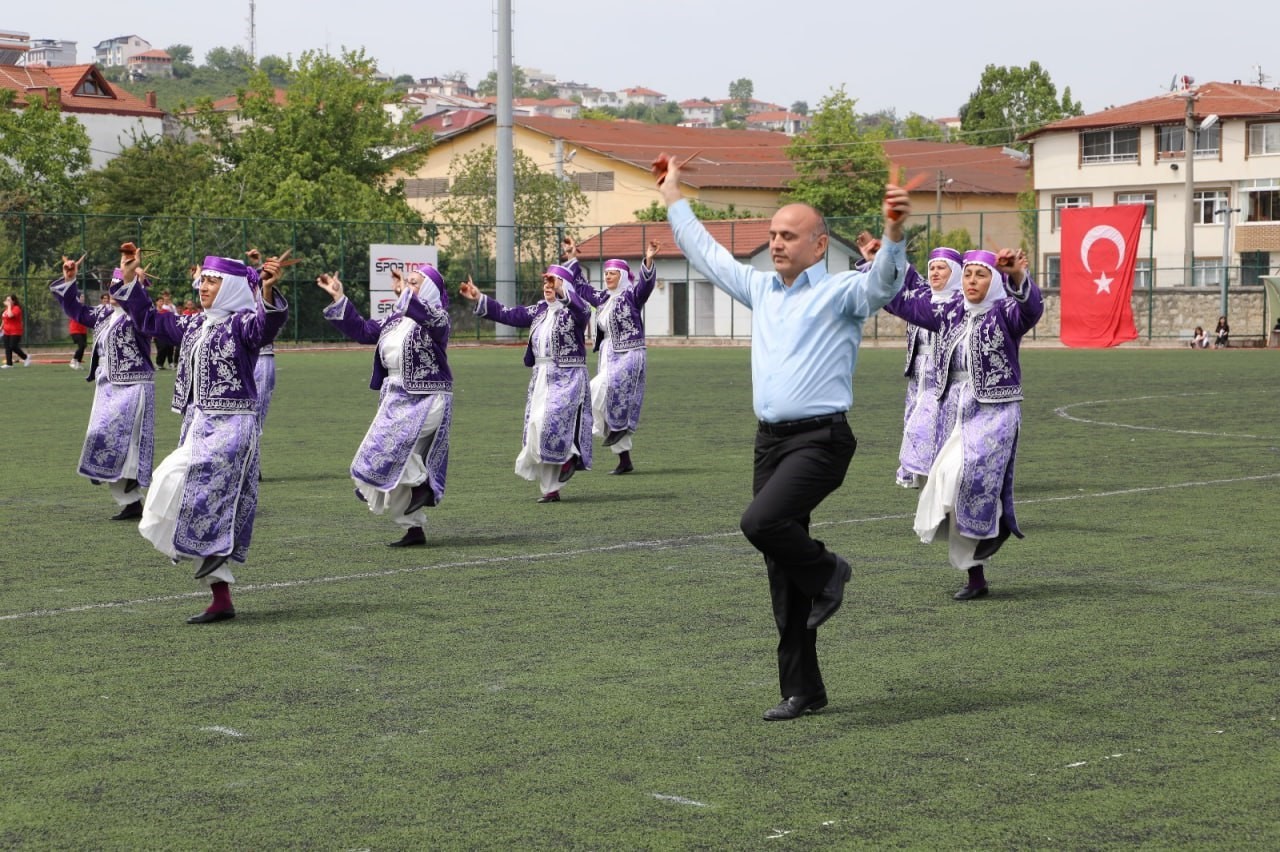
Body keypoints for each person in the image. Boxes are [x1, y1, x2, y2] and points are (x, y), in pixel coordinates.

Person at [656, 150, 911, 721]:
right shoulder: (761, 289)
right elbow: (705, 255)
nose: (776, 243)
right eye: (772, 235)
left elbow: (885, 286)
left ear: (819, 245)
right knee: (779, 565)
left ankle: (830, 570)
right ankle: (803, 689)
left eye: (789, 236)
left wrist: (894, 235)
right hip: (769, 442)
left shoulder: (843, 291)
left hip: (821, 441)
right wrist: (673, 195)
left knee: (760, 524)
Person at [118, 250, 289, 624]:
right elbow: (148, 319)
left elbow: (267, 326)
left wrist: (268, 291)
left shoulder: (242, 326)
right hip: (197, 426)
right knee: (189, 497)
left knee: (176, 482)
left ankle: (215, 565)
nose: (203, 287)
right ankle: (220, 597)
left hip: (231, 428)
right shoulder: (193, 325)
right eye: (203, 281)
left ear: (228, 286)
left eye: (212, 281)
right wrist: (129, 279)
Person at [885, 248, 1043, 601]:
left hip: (995, 412)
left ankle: (997, 526)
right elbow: (906, 305)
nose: (972, 281)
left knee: (963, 476)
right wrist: (878, 267)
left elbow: (1031, 309)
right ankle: (976, 577)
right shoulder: (951, 312)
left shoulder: (1006, 314)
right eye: (968, 275)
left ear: (995, 280)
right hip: (954, 409)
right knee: (949, 486)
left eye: (981, 275)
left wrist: (1018, 277)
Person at [319, 264, 454, 547]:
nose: (409, 287)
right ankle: (414, 528)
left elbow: (426, 315)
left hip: (427, 399)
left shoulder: (438, 319)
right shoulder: (394, 320)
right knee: (390, 465)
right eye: (408, 282)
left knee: (391, 451)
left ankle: (423, 482)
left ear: (428, 288)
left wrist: (407, 296)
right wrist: (339, 299)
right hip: (394, 399)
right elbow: (364, 331)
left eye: (415, 283)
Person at [459, 265, 593, 503]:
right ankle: (551, 490)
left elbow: (584, 312)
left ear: (565, 286)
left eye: (553, 284)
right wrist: (479, 297)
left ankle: (571, 455)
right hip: (541, 376)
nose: (548, 288)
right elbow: (508, 314)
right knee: (535, 430)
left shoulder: (575, 311)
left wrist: (562, 289)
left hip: (567, 375)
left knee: (550, 421)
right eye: (546, 284)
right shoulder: (540, 310)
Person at [50, 258, 156, 519]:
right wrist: (70, 280)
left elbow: (140, 306)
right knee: (100, 436)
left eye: (121, 284)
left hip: (133, 386)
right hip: (107, 387)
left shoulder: (141, 315)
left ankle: (135, 488)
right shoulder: (104, 314)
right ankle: (129, 502)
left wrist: (137, 284)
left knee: (128, 443)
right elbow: (75, 310)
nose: (114, 289)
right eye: (112, 284)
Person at [572, 238, 659, 475]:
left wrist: (649, 259)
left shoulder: (631, 296)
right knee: (604, 403)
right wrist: (572, 258)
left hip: (631, 353)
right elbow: (580, 287)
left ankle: (578, 449)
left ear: (621, 276)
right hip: (608, 354)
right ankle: (624, 459)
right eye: (606, 273)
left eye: (612, 274)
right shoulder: (602, 298)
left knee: (596, 389)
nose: (608, 277)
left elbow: (646, 286)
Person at [894, 247, 962, 488]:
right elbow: (905, 274)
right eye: (932, 267)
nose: (935, 272)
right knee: (913, 417)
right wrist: (880, 258)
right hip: (918, 369)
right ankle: (914, 471)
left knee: (937, 421)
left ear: (954, 272)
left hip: (942, 371)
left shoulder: (962, 302)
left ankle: (941, 470)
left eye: (941, 268)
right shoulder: (923, 295)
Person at [2, 294, 32, 368]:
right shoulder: (7, 309)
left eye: (9, 300)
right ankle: (9, 364)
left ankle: (25, 357)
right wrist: (1, 327)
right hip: (6, 331)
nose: (7, 301)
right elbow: (4, 318)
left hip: (15, 331)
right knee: (7, 347)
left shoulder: (16, 308)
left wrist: (9, 306)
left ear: (14, 301)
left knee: (13, 346)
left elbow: (10, 315)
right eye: (7, 300)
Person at [153, 290, 178, 369]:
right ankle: (159, 363)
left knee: (169, 347)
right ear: (156, 302)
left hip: (167, 331)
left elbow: (173, 317)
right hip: (158, 332)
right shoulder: (153, 311)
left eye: (162, 301)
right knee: (162, 347)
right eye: (159, 301)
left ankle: (169, 363)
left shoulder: (167, 310)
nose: (161, 303)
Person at [68, 303, 89, 370]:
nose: (82, 298)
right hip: (75, 330)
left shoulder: (85, 308)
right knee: (82, 345)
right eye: (80, 297)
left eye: (83, 297)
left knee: (83, 347)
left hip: (83, 330)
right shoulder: (73, 308)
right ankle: (73, 360)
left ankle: (78, 363)